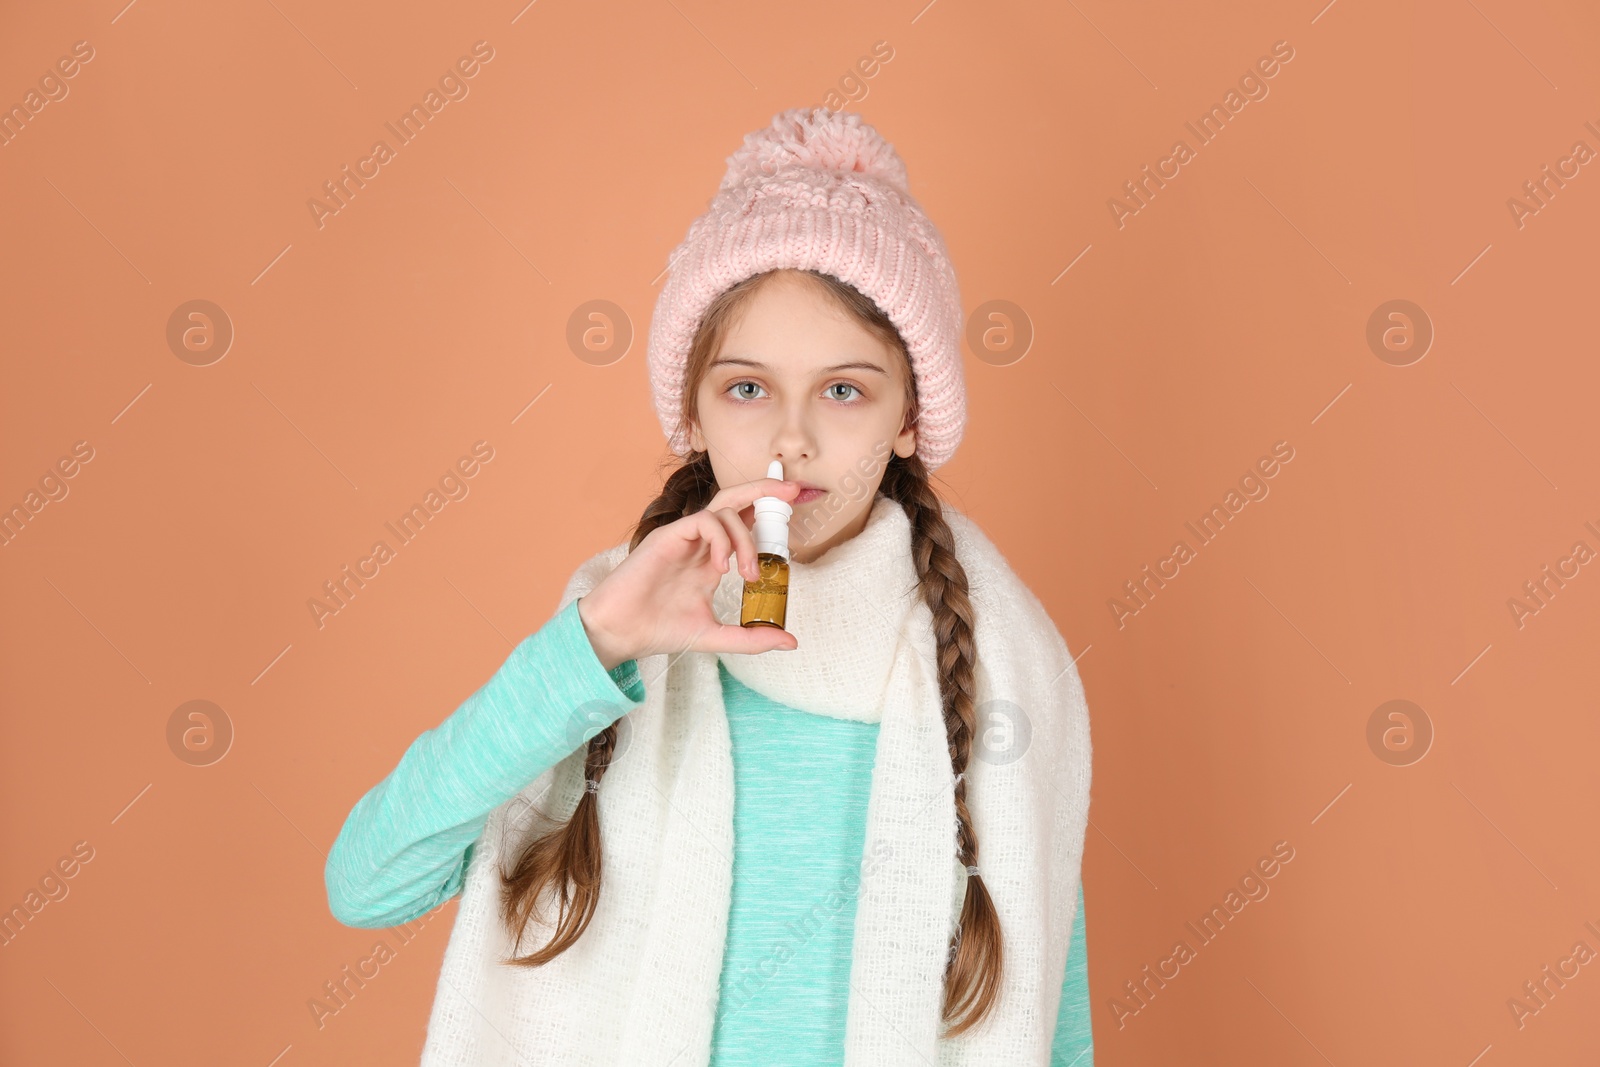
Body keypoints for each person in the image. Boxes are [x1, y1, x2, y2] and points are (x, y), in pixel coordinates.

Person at [325, 106, 1094, 1066]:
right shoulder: (613, 637)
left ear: (910, 415)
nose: (791, 439)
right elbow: (367, 883)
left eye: (845, 390)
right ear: (692, 409)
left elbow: (1046, 1007)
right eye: (746, 387)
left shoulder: (1001, 661)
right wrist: (594, 644)